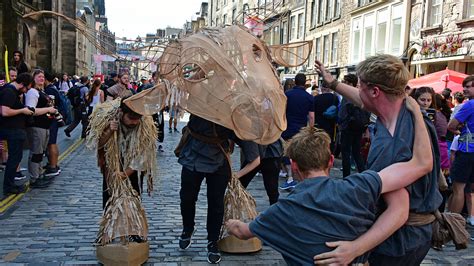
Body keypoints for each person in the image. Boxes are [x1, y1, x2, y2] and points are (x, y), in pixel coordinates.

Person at [226, 97, 433, 265]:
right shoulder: (360, 186)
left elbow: (242, 231)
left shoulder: (280, 212)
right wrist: (415, 113)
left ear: (294, 165)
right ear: (331, 161)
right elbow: (422, 164)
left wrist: (230, 221)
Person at [314, 55, 442, 265]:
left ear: (375, 91)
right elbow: (365, 100)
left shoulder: (394, 145)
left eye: (359, 85)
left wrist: (354, 249)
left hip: (398, 242)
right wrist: (334, 83)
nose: (357, 89)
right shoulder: (402, 109)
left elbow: (398, 211)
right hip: (415, 237)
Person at [177, 115, 233, 264]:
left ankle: (212, 241)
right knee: (187, 197)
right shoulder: (198, 94)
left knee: (216, 202)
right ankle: (187, 228)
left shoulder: (230, 101)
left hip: (219, 154)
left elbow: (238, 132)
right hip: (193, 151)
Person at [0, 73, 35, 195]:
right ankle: (8, 187)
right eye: (27, 88)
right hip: (11, 130)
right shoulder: (9, 92)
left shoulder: (13, 92)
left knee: (16, 158)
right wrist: (23, 110)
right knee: (13, 159)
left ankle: (11, 184)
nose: (26, 91)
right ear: (22, 84)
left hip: (15, 130)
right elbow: (4, 111)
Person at [280, 73, 314, 190]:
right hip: (301, 129)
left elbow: (281, 112)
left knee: (286, 151)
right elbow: (311, 117)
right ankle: (297, 177)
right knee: (298, 153)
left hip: (287, 127)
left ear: (295, 81)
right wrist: (311, 130)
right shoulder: (309, 97)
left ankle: (290, 177)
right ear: (305, 83)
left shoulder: (287, 94)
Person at [25, 69, 58, 188]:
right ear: (33, 78)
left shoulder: (41, 91)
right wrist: (48, 110)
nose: (42, 78)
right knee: (36, 152)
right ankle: (34, 178)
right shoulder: (33, 92)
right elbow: (30, 110)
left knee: (40, 152)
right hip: (36, 126)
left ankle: (39, 174)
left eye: (43, 77)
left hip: (44, 126)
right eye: (39, 77)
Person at [447, 75, 474, 214]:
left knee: (458, 189)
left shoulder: (469, 105)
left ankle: (452, 223)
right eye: (465, 86)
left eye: (469, 86)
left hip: (467, 151)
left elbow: (451, 126)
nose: (464, 89)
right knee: (470, 190)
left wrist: (460, 130)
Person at [338, 74, 370, 177]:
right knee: (357, 152)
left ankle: (346, 176)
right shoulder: (360, 94)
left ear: (351, 83)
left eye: (346, 82)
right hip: (359, 127)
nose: (344, 84)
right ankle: (363, 173)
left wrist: (341, 123)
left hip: (347, 127)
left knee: (346, 153)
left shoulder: (347, 95)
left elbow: (342, 113)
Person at [238, 139, 283, 205]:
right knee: (240, 183)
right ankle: (234, 209)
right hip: (254, 151)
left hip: (271, 153)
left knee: (272, 189)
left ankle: (275, 212)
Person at [43, 71, 62, 177]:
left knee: (51, 143)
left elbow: (50, 104)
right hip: (52, 119)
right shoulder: (53, 88)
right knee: (52, 143)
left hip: (51, 120)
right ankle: (53, 164)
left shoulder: (50, 90)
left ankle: (53, 166)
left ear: (46, 79)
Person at [314, 81, 339, 151]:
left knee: (319, 143)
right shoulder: (335, 98)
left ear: (322, 88)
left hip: (318, 124)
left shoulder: (316, 98)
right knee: (329, 142)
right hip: (331, 125)